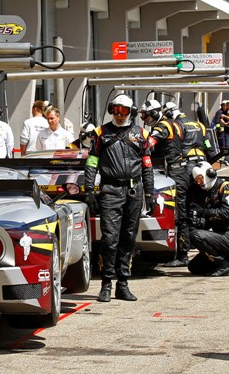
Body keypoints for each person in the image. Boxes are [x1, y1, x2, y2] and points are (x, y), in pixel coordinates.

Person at [83, 94, 153, 302]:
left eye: (124, 111)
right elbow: (91, 162)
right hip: (110, 190)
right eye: (116, 110)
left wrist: (149, 193)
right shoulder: (100, 132)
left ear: (131, 112)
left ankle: (123, 284)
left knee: (128, 238)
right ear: (111, 110)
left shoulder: (141, 134)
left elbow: (147, 165)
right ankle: (106, 285)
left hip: (134, 190)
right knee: (110, 239)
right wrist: (88, 189)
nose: (120, 115)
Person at [145, 101, 213, 268]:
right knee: (198, 209)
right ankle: (205, 246)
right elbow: (209, 146)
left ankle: (182, 254)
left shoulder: (174, 126)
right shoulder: (199, 125)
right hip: (202, 168)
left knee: (180, 212)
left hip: (182, 169)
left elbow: (173, 147)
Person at [187, 161, 229, 277]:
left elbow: (227, 213)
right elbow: (213, 219)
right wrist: (196, 221)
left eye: (200, 178)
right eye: (196, 180)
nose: (199, 182)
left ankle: (224, 264)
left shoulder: (227, 188)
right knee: (194, 267)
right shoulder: (210, 194)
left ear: (209, 174)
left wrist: (203, 213)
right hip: (221, 238)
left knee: (196, 236)